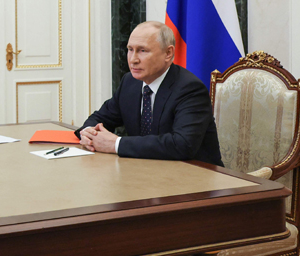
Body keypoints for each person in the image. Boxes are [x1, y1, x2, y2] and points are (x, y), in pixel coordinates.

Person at [75, 21, 223, 166]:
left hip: (196, 177)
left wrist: (116, 144)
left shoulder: (190, 89)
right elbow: (101, 117)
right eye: (130, 49)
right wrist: (88, 133)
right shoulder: (130, 82)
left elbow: (182, 145)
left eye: (142, 51)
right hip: (145, 173)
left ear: (168, 53)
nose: (133, 60)